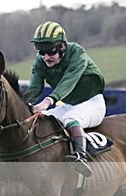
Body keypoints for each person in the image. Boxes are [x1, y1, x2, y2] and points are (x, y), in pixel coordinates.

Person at [25, 21, 105, 178]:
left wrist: (48, 101)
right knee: (39, 120)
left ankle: (80, 157)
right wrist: (23, 105)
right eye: (41, 52)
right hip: (68, 104)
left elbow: (69, 81)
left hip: (91, 103)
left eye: (50, 51)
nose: (46, 57)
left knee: (71, 118)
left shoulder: (77, 53)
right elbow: (33, 88)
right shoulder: (40, 61)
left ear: (61, 46)